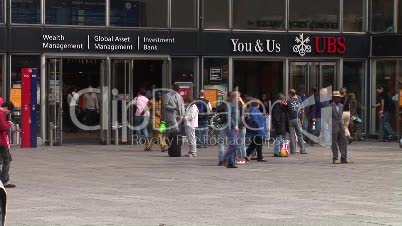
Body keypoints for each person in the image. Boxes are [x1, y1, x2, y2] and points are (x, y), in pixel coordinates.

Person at [327, 91, 352, 164]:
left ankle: (344, 158)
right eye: (337, 97)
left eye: (339, 97)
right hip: (333, 126)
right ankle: (335, 158)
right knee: (334, 143)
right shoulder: (329, 106)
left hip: (341, 126)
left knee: (343, 141)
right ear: (334, 98)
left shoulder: (341, 105)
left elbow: (341, 116)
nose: (339, 99)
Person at [163, 84, 185, 157]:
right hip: (170, 115)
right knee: (176, 129)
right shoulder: (167, 95)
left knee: (172, 131)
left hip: (178, 115)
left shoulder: (178, 95)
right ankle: (172, 144)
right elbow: (165, 105)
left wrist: (182, 114)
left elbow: (181, 105)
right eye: (175, 89)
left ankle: (170, 144)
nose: (176, 91)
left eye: (177, 90)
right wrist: (173, 108)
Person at [223, 91, 241, 168]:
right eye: (238, 96)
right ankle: (224, 158)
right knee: (234, 144)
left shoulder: (237, 106)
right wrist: (234, 125)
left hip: (235, 127)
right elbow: (228, 117)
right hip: (230, 127)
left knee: (233, 144)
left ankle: (231, 162)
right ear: (234, 97)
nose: (239, 98)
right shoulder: (229, 105)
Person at [285, 89, 306, 154]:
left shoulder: (288, 101)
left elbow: (286, 110)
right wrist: (302, 120)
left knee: (291, 135)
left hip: (291, 119)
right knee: (300, 135)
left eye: (289, 94)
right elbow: (302, 112)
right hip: (297, 119)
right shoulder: (300, 101)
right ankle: (302, 150)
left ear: (290, 94)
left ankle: (292, 150)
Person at [0, 101, 16, 188]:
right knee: (7, 160)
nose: (8, 113)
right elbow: (3, 127)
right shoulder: (1, 114)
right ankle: (4, 181)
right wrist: (9, 123)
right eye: (9, 111)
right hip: (1, 142)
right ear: (6, 108)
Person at [235, 96, 247, 164]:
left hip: (240, 127)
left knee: (240, 143)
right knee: (242, 143)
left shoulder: (239, 109)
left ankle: (241, 158)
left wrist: (238, 126)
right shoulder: (243, 108)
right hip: (242, 127)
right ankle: (240, 157)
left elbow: (241, 119)